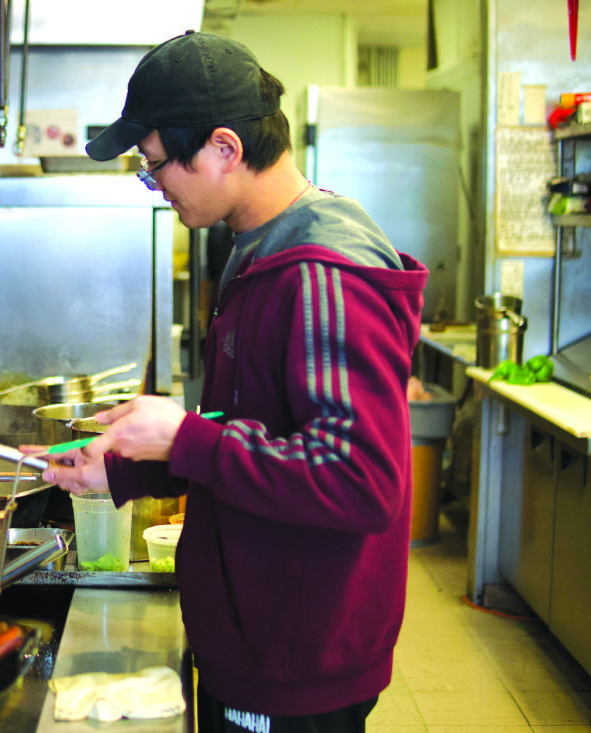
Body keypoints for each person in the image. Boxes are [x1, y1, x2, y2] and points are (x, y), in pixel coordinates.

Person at [36, 31, 429, 733]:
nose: (155, 183)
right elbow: (259, 429)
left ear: (224, 147)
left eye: (155, 163)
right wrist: (129, 467)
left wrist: (185, 437)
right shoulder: (256, 246)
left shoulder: (321, 272)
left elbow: (360, 478)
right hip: (258, 638)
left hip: (292, 658)